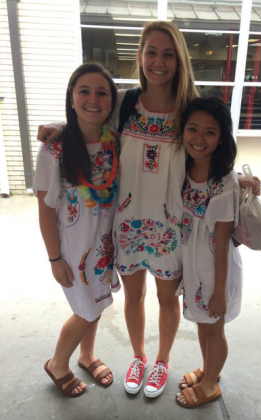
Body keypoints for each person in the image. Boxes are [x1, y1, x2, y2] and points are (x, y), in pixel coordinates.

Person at [37, 21, 260, 399]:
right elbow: (89, 117)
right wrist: (58, 123)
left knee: (167, 298)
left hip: (172, 225)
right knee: (133, 297)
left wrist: (235, 178)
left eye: (168, 53)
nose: (159, 61)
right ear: (140, 57)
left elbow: (209, 146)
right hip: (125, 223)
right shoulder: (124, 103)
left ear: (179, 60)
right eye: (151, 52)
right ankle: (138, 357)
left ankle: (161, 360)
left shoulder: (190, 108)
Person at [33, 63, 120, 397]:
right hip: (74, 249)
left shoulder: (115, 141)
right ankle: (58, 363)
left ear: (112, 103)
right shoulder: (54, 151)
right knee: (86, 310)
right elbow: (45, 211)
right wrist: (55, 258)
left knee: (96, 304)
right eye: (84, 90)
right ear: (71, 98)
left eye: (102, 92)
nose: (93, 99)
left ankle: (87, 355)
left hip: (106, 244)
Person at [176, 96, 242, 408]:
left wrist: (219, 292)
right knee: (203, 324)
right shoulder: (184, 169)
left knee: (214, 330)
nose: (199, 139)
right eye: (193, 129)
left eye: (210, 132)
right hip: (194, 265)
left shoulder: (224, 183)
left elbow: (223, 245)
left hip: (215, 269)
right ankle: (208, 370)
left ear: (222, 138)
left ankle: (211, 384)